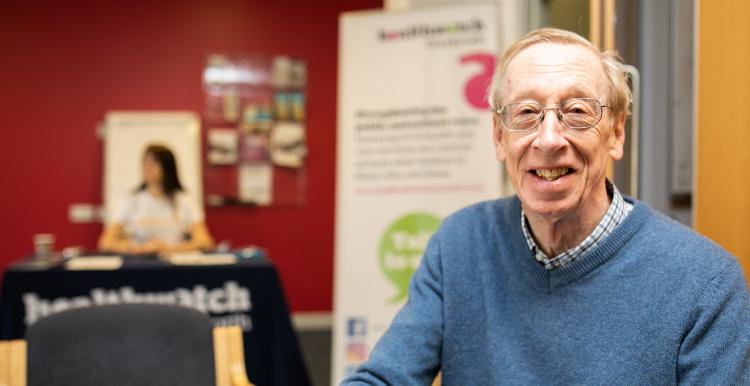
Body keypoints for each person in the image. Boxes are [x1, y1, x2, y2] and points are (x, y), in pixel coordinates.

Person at [343, 28, 750, 385]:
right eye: (526, 113)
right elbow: (385, 377)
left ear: (617, 132)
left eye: (577, 112)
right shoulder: (458, 245)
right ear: (499, 137)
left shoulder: (707, 284)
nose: (549, 139)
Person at [98, 144, 214, 254]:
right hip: (140, 264)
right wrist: (137, 248)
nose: (148, 168)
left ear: (167, 167)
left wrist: (169, 249)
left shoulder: (184, 200)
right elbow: (106, 242)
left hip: (174, 266)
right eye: (145, 163)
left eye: (154, 163)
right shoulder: (132, 200)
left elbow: (204, 242)